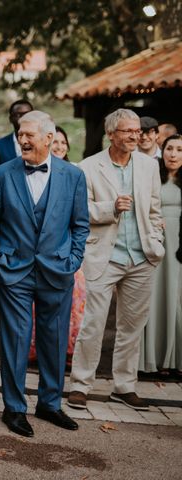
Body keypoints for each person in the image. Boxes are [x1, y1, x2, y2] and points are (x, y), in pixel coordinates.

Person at [0, 111, 89, 438]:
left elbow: (80, 225)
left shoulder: (73, 176)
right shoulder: (1, 174)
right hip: (14, 270)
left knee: (54, 340)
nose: (22, 140)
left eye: (29, 135)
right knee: (14, 340)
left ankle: (50, 403)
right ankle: (14, 408)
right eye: (20, 135)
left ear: (49, 138)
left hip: (58, 270)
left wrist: (72, 260)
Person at [67, 108, 165, 412]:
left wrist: (156, 243)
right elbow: (79, 211)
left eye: (137, 131)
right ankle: (81, 385)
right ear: (111, 134)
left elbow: (154, 210)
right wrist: (111, 207)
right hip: (103, 257)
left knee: (131, 327)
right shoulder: (88, 167)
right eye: (128, 131)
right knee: (93, 325)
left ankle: (124, 386)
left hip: (142, 257)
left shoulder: (149, 166)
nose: (136, 136)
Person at [29, 126, 87, 363]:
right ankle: (36, 351)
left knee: (74, 305)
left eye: (64, 143)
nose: (60, 146)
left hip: (67, 255)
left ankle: (68, 351)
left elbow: (81, 218)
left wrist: (74, 257)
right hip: (34, 256)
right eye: (56, 143)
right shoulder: (28, 173)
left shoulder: (75, 174)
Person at [140, 134, 182, 375]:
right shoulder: (151, 176)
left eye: (178, 150)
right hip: (155, 241)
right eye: (169, 149)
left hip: (180, 244)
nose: (173, 154)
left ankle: (175, 360)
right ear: (162, 151)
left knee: (177, 300)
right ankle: (151, 359)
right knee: (154, 297)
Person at [0, 99, 34, 174]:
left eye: (27, 114)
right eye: (18, 115)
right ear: (10, 119)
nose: (23, 118)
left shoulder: (42, 142)